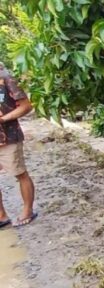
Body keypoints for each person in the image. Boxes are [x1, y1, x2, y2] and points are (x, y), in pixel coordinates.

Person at [0, 63, 36, 228]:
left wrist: (3, 119)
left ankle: (27, 210)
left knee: (19, 173)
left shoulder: (7, 77)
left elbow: (26, 106)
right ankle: (2, 216)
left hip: (8, 137)